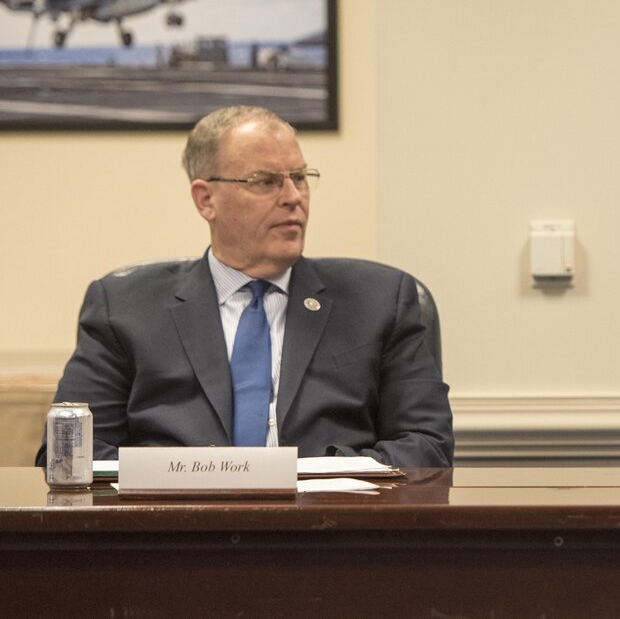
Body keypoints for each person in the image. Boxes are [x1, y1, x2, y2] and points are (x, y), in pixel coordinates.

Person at [37, 105, 453, 467]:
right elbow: (70, 456)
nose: (294, 196)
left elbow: (426, 447)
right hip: (177, 542)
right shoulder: (124, 307)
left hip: (329, 538)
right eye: (265, 181)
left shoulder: (379, 300)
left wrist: (316, 475)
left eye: (300, 177)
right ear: (205, 200)